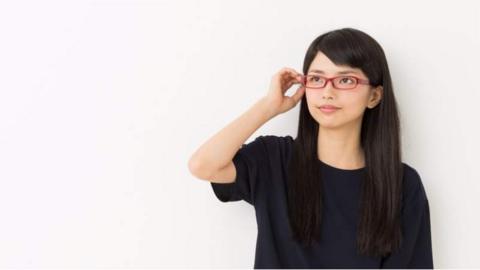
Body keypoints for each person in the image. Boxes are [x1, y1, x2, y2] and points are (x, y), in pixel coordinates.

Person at [188, 27, 434, 269]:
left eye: (345, 80)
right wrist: (269, 106)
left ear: (374, 96)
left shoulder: (402, 185)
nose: (327, 92)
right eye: (316, 79)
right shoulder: (275, 159)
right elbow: (203, 165)